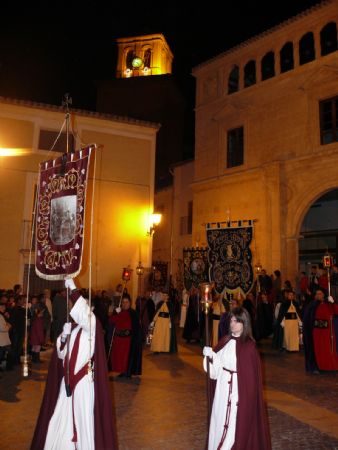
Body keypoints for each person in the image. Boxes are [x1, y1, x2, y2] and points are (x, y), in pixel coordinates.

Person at [30, 278, 117, 450]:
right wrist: (62, 339)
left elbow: (84, 315)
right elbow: (62, 355)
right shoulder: (74, 328)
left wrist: (73, 287)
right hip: (68, 381)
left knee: (81, 416)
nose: (70, 307)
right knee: (61, 414)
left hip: (83, 381)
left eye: (72, 304)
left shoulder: (91, 326)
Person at [203, 307, 271, 450]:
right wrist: (210, 357)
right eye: (231, 320)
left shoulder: (249, 347)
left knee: (235, 425)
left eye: (237, 321)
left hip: (238, 394)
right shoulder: (225, 341)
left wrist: (243, 397)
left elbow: (250, 380)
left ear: (244, 323)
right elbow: (215, 372)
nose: (232, 324)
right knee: (220, 420)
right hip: (222, 392)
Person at [108, 295, 142, 378]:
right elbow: (111, 321)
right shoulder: (118, 312)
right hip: (119, 339)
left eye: (126, 302)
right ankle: (121, 371)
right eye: (123, 302)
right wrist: (115, 313)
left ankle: (128, 372)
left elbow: (137, 329)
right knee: (119, 358)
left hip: (129, 340)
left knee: (127, 358)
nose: (124, 304)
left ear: (130, 303)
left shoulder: (133, 314)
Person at [312, 289, 338, 371]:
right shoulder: (314, 304)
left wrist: (333, 302)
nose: (318, 295)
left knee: (327, 348)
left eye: (320, 293)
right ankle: (320, 366)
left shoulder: (328, 303)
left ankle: (329, 366)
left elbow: (336, 311)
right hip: (317, 331)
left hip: (327, 331)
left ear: (323, 295)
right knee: (319, 349)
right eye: (317, 294)